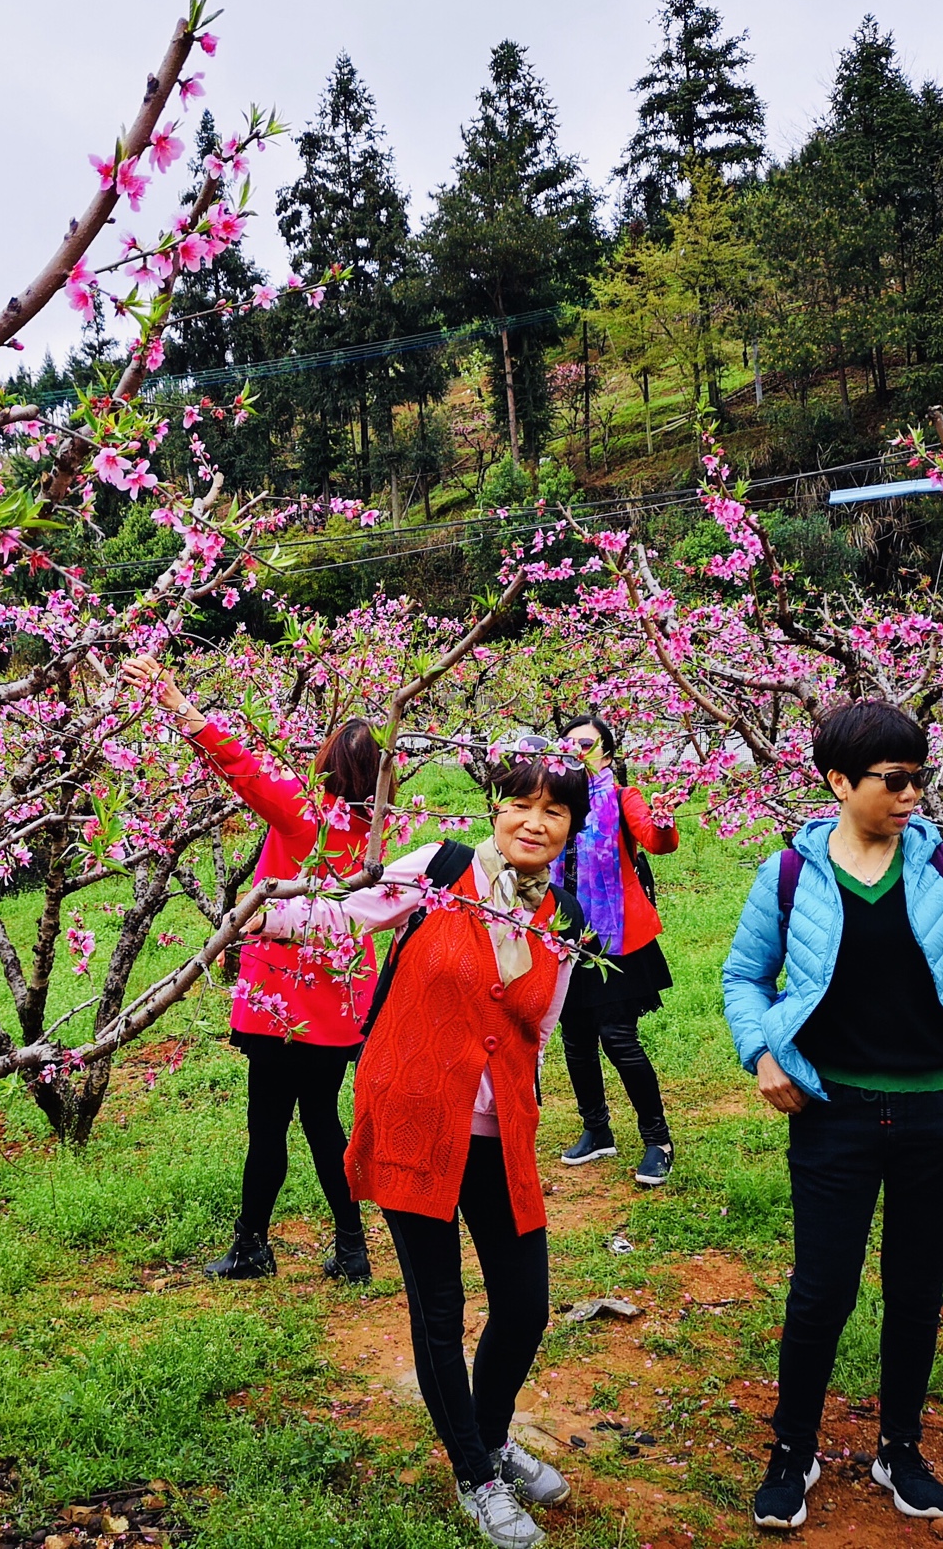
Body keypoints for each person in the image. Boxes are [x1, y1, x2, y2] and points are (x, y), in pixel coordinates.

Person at [253, 747, 591, 1549]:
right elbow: (346, 914)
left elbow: (538, 1031)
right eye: (520, 803)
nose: (533, 822)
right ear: (496, 808)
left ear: (572, 827)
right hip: (412, 1117)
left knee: (524, 1307)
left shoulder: (569, 920)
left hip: (499, 1133)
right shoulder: (438, 868)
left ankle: (492, 1434)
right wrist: (264, 911)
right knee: (439, 1310)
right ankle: (476, 1476)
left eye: (554, 811)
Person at [719, 699, 943, 1531]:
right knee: (820, 1291)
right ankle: (794, 1450)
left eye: (918, 779)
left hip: (940, 1113)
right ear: (838, 782)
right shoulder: (789, 874)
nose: (910, 797)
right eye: (893, 781)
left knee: (914, 1287)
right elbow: (743, 976)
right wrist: (762, 1055)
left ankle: (901, 1446)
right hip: (834, 1115)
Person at [122, 653, 377, 1284]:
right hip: (340, 1004)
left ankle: (251, 1247)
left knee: (267, 1125)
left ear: (326, 768)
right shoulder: (375, 831)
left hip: (283, 1001)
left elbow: (246, 771)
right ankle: (352, 1248)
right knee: (322, 1120)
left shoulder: (308, 815)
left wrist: (179, 706)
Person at [550, 714, 681, 1187]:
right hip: (563, 934)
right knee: (576, 1040)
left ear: (606, 752)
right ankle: (597, 1129)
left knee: (618, 1038)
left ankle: (657, 1140)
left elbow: (656, 840)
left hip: (616, 938)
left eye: (584, 742)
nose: (574, 749)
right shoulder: (554, 801)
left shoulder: (623, 798)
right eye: (565, 742)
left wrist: (664, 817)